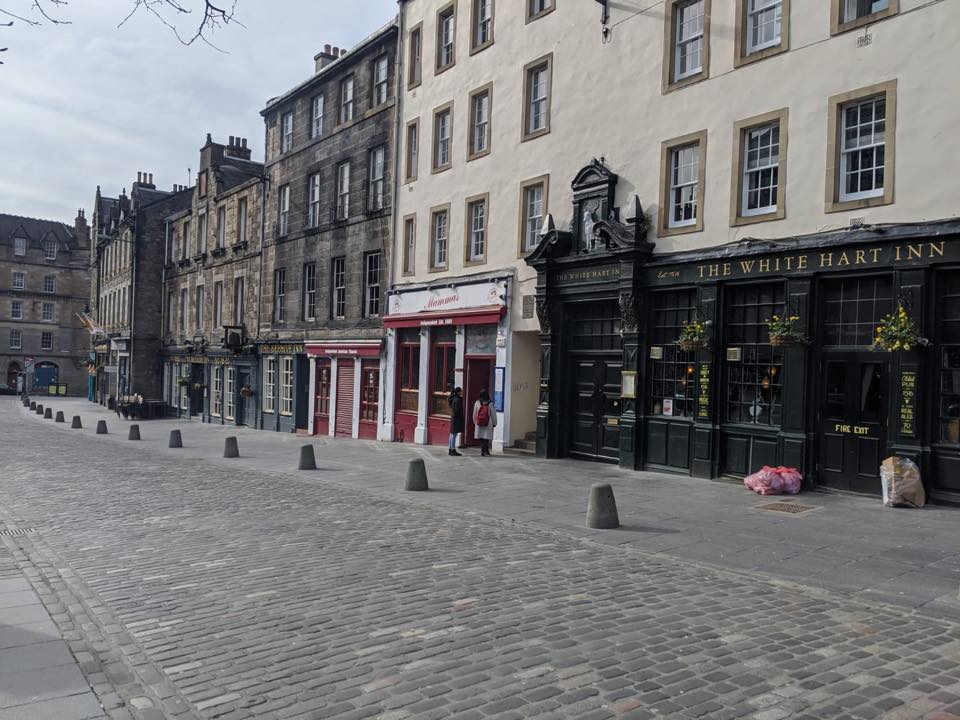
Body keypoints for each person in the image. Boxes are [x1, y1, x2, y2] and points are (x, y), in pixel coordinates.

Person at [473, 389, 497, 456]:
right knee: (486, 437)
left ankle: (484, 450)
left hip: (479, 421)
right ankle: (484, 450)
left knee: (481, 436)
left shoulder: (477, 402)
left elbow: (475, 413)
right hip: (488, 422)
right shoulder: (490, 403)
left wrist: (474, 421)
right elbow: (493, 414)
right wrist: (495, 423)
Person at [447, 387, 464, 457]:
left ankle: (450, 449)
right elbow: (457, 410)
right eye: (461, 391)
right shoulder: (457, 400)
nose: (462, 392)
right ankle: (453, 450)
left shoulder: (454, 399)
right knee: (454, 434)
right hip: (456, 418)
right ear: (458, 392)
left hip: (453, 417)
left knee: (452, 434)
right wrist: (460, 418)